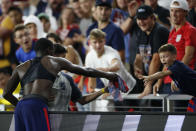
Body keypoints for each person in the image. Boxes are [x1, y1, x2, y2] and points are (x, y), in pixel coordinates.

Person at [3, 38, 118, 131]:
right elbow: (87, 70)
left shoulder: (20, 67)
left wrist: (22, 105)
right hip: (37, 105)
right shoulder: (54, 61)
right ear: (49, 50)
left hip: (21, 107)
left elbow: (6, 94)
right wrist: (109, 75)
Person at [81, 28, 136, 111]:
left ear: (104, 41)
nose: (98, 45)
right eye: (95, 42)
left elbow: (116, 65)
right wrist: (91, 89)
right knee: (118, 117)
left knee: (131, 117)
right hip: (114, 89)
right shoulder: (89, 56)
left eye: (100, 41)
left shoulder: (111, 52)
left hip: (129, 88)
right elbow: (91, 79)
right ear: (90, 43)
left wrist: (106, 69)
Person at [140, 44, 196, 112]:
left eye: (166, 56)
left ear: (174, 57)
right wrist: (174, 81)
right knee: (190, 116)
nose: (163, 59)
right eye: (161, 57)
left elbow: (162, 73)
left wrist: (150, 77)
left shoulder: (177, 66)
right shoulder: (173, 68)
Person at [133, 5, 169, 98]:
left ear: (153, 18)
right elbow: (138, 57)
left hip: (163, 80)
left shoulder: (159, 31)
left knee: (161, 111)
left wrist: (149, 85)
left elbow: (156, 60)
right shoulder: (141, 32)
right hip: (152, 80)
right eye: (139, 19)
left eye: (144, 18)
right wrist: (137, 68)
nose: (141, 22)